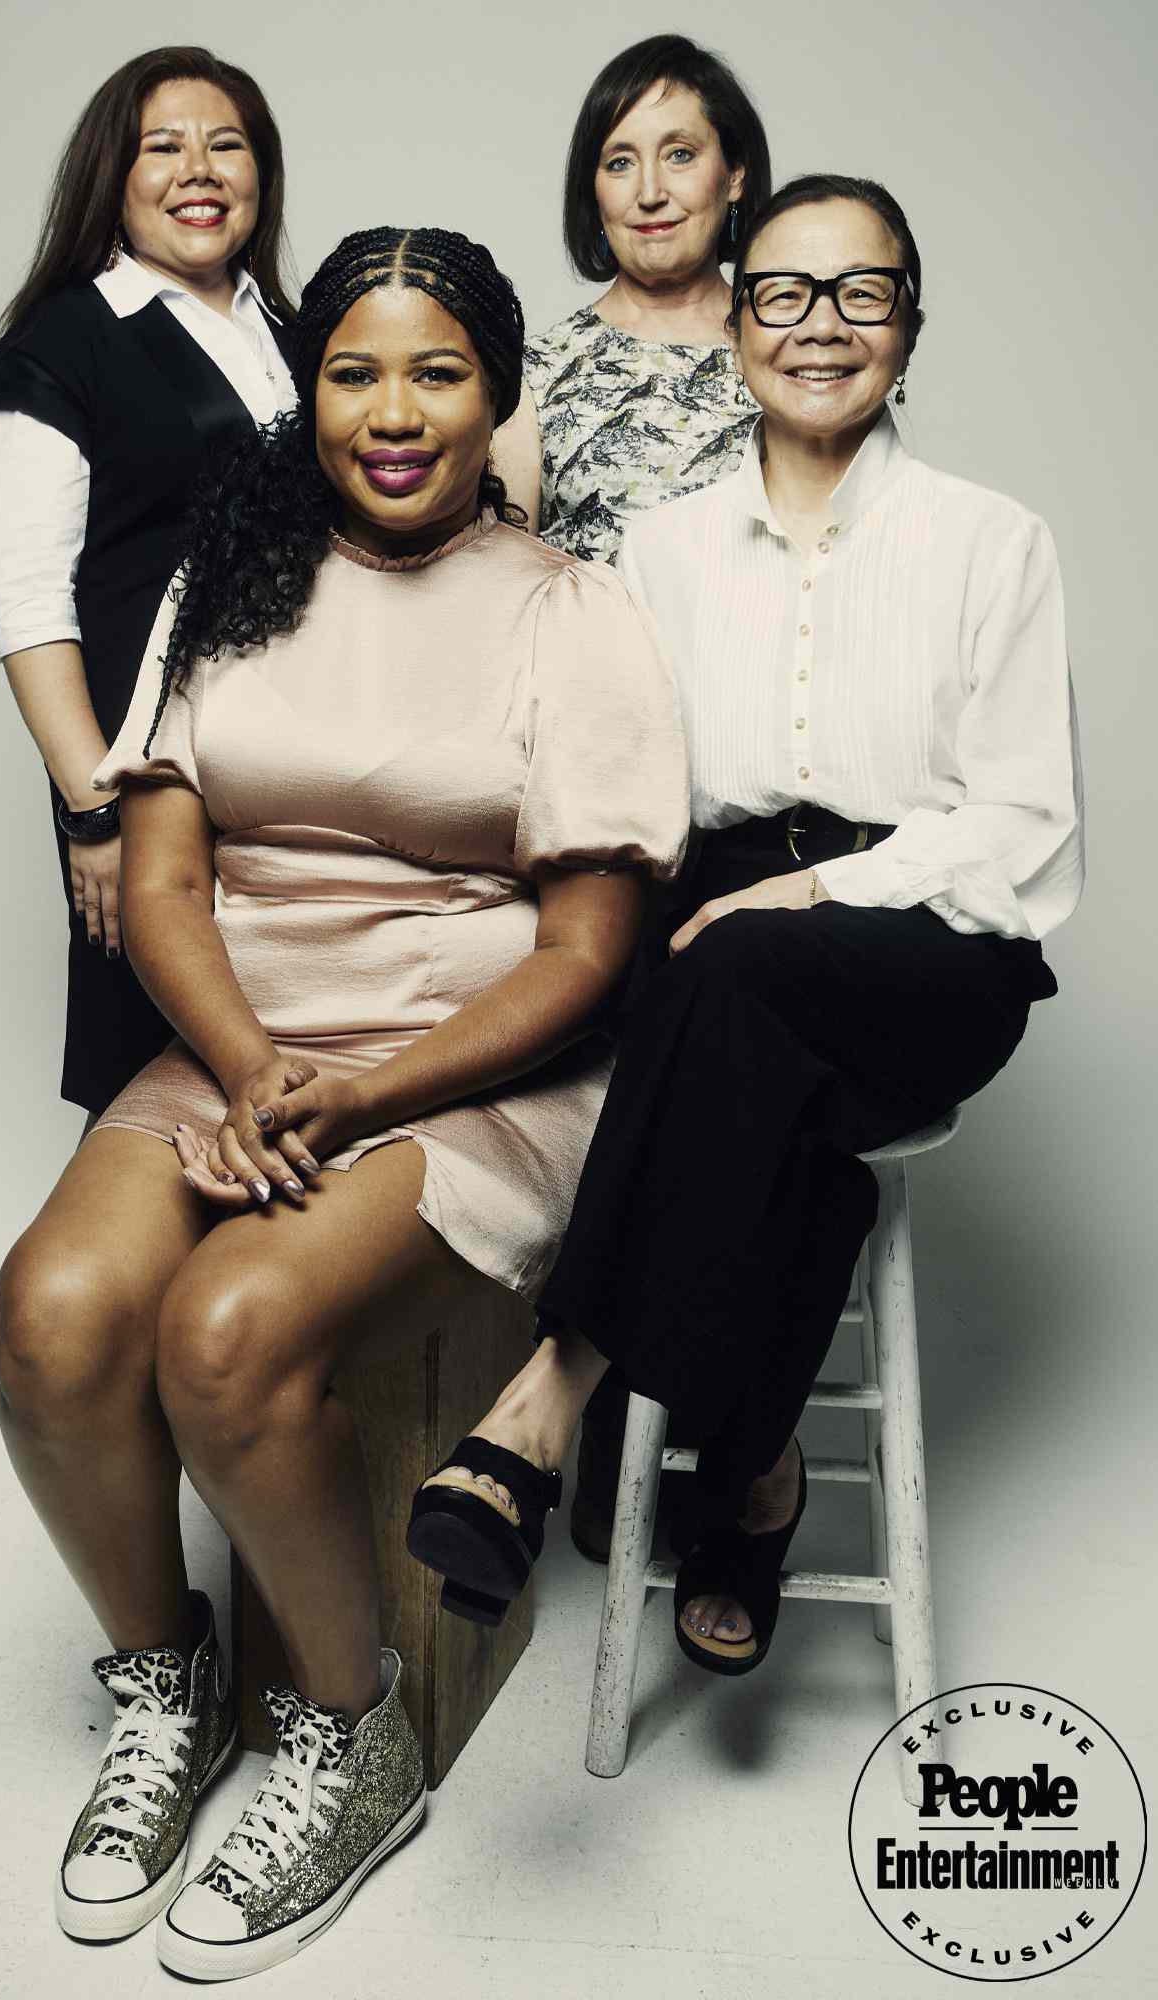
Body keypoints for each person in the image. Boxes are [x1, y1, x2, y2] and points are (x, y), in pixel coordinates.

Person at [0, 225, 687, 1976]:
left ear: (495, 394)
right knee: (56, 1314)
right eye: (353, 370)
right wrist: (247, 1073)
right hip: (247, 1045)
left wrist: (356, 1091)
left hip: (475, 1066)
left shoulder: (568, 610)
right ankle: (167, 1687)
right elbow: (159, 885)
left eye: (436, 372)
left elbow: (587, 957)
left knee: (226, 1334)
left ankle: (344, 1730)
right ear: (307, 391)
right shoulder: (226, 582)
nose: (392, 412)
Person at [408, 177, 1083, 1683]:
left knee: (733, 968)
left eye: (861, 292)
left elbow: (1025, 833)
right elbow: (628, 786)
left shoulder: (991, 542)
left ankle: (541, 1407)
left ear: (910, 318)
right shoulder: (664, 548)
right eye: (782, 293)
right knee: (726, 1025)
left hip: (930, 946)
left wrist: (811, 892)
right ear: (735, 323)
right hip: (713, 926)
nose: (819, 326)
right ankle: (755, 1466)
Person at [0, 46, 296, 1117]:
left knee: (292, 1070)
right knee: (159, 1082)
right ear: (114, 174)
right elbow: (24, 593)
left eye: (226, 144)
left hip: (287, 770)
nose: (198, 168)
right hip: (148, 785)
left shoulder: (290, 329)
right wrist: (90, 812)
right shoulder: (66, 343)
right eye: (164, 146)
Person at [495, 32, 771, 563]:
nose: (649, 193)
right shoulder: (533, 375)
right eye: (620, 162)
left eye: (680, 155)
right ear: (593, 191)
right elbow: (505, 592)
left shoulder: (792, 352)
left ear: (734, 173)